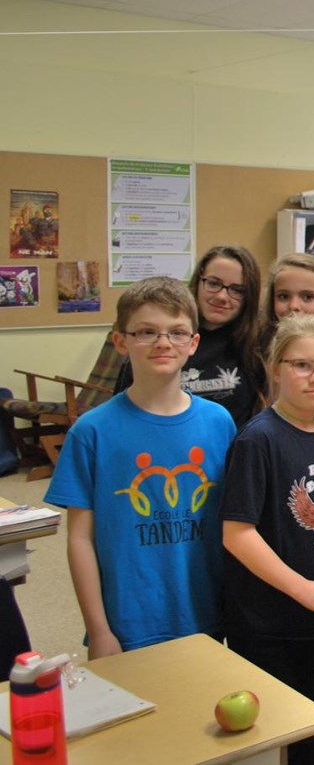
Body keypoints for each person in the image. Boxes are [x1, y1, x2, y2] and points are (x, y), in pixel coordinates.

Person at [45, 276, 236, 657]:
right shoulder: (92, 431)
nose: (164, 343)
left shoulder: (220, 422)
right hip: (128, 620)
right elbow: (80, 539)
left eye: (177, 332)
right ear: (121, 341)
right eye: (146, 332)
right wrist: (98, 630)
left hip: (207, 612)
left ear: (193, 343)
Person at [221, 314, 314, 765]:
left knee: (307, 728)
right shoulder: (258, 440)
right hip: (267, 621)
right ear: (276, 367)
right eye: (302, 365)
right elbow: (238, 534)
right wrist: (302, 589)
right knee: (269, 735)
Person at [113, 245, 266, 429]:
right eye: (213, 283)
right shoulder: (158, 346)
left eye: (237, 290)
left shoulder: (256, 347)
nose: (222, 296)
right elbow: (122, 415)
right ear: (199, 281)